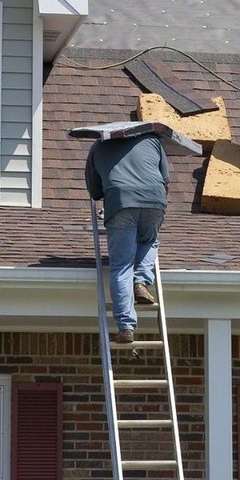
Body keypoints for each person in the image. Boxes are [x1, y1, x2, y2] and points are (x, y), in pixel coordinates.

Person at [85, 133, 169, 344]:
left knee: (122, 266)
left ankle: (126, 327)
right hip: (154, 198)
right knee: (149, 240)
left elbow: (95, 192)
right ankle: (141, 282)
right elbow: (165, 179)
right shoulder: (151, 140)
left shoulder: (98, 146)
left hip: (120, 200)